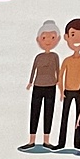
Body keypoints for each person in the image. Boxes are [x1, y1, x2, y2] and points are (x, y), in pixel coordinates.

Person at [55, 17, 80, 150]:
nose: (77, 39)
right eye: (73, 34)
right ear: (66, 37)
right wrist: (61, 92)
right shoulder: (67, 60)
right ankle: (61, 143)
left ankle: (78, 143)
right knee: (64, 116)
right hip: (68, 91)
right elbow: (60, 76)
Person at [25, 20, 60, 148]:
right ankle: (31, 140)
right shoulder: (38, 57)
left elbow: (58, 70)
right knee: (35, 111)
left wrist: (59, 82)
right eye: (44, 37)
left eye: (52, 37)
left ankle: (46, 140)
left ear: (57, 39)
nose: (48, 41)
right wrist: (30, 82)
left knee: (48, 112)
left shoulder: (55, 56)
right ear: (38, 39)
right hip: (37, 85)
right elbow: (33, 69)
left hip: (51, 86)